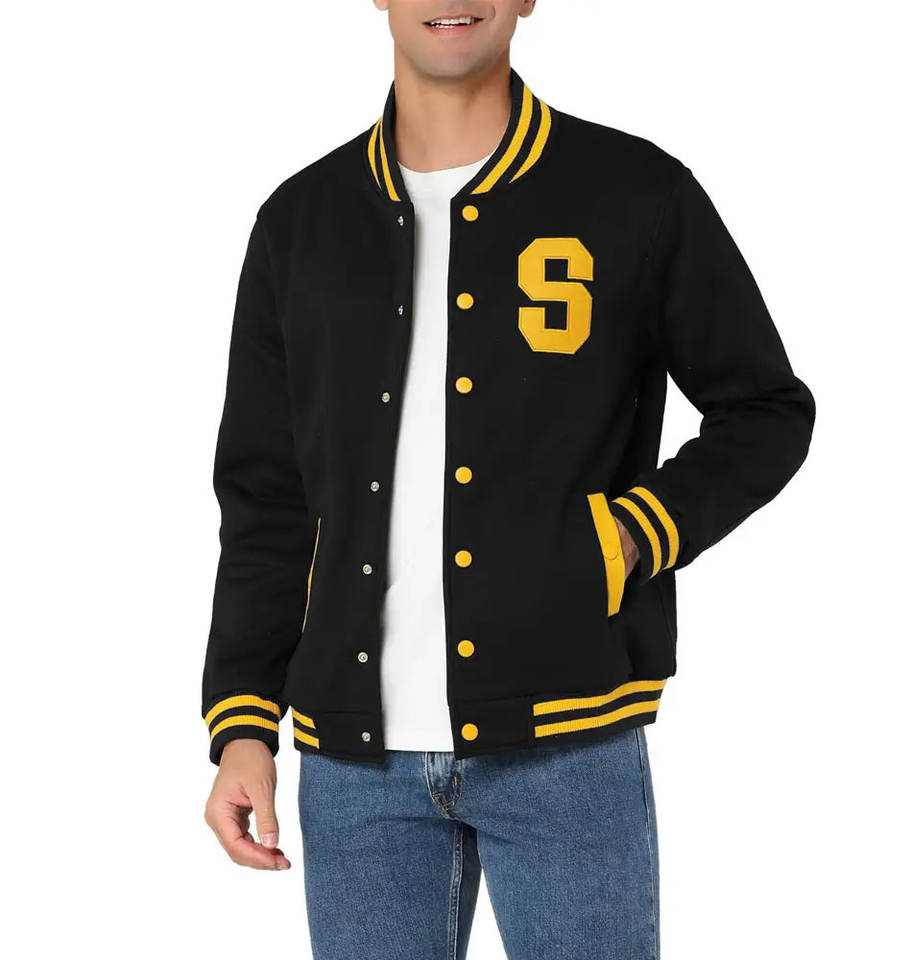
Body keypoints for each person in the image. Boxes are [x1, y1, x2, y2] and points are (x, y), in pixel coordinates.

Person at [201, 2, 815, 957]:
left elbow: (766, 409)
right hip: (352, 765)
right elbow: (266, 497)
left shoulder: (635, 192)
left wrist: (631, 535)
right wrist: (244, 722)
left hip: (569, 737)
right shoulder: (300, 221)